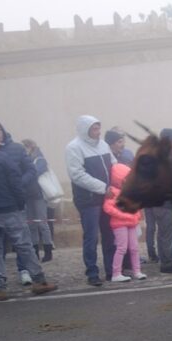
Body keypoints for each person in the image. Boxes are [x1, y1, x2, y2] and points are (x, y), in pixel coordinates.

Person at [0, 127, 57, 300]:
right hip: (9, 209)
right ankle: (39, 281)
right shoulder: (2, 158)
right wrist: (19, 204)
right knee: (24, 246)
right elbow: (16, 183)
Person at [0, 118, 40, 285]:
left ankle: (25, 271)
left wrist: (19, 185)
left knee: (22, 242)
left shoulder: (16, 148)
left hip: (15, 201)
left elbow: (30, 169)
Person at [65, 115, 116, 286]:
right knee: (92, 237)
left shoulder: (103, 145)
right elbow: (77, 174)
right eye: (94, 129)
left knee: (110, 235)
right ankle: (92, 272)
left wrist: (119, 181)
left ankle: (112, 271)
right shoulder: (74, 148)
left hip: (108, 197)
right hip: (89, 200)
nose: (98, 132)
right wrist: (102, 187)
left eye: (98, 128)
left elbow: (113, 164)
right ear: (85, 130)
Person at [103, 163, 146, 282]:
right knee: (122, 248)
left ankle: (137, 271)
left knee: (134, 248)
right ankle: (116, 273)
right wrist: (125, 215)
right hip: (119, 224)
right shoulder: (112, 192)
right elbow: (108, 208)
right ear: (119, 178)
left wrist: (136, 216)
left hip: (131, 223)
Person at [151, 128, 172, 274]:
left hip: (165, 201)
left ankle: (169, 259)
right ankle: (166, 264)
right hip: (164, 202)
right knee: (166, 234)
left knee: (168, 233)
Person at [21, 139, 55, 262]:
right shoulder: (24, 160)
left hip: (38, 195)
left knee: (42, 223)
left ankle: (48, 250)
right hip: (27, 195)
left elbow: (35, 172)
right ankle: (35, 251)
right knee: (31, 224)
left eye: (25, 147)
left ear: (31, 147)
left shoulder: (40, 159)